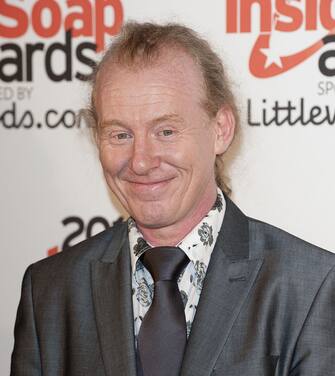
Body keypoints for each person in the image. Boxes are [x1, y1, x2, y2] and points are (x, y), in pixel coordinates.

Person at [11, 22, 335, 376]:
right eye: (120, 134)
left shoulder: (311, 287)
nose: (140, 160)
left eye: (165, 131)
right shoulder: (49, 291)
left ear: (221, 129)